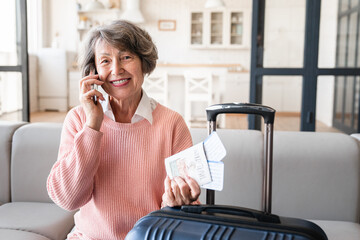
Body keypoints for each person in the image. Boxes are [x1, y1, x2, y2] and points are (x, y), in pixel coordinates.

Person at [47, 20, 200, 240]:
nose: (116, 70)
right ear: (94, 72)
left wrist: (175, 201)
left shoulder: (172, 124)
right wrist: (92, 126)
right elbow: (68, 199)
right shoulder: (79, 119)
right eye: (105, 61)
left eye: (126, 57)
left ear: (144, 62)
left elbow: (189, 205)